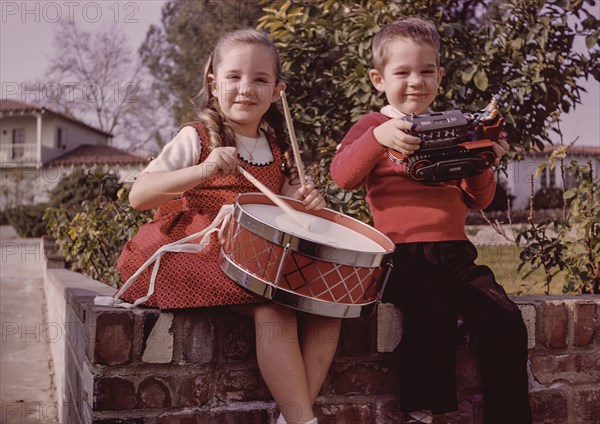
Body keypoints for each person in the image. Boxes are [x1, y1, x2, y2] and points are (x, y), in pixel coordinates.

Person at [116, 29, 340, 424]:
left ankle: (294, 416)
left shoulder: (278, 149)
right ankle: (304, 420)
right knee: (272, 305)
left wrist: (308, 205)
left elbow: (289, 212)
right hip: (196, 246)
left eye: (260, 79)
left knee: (328, 307)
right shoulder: (196, 136)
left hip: (254, 252)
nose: (246, 88)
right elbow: (140, 196)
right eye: (234, 76)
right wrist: (203, 170)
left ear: (277, 91)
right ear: (213, 83)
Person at [330, 17, 532, 424]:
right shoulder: (373, 126)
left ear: (439, 75)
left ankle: (509, 415)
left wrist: (482, 161)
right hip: (402, 256)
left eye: (426, 71)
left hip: (456, 254)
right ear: (378, 78)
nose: (415, 81)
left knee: (506, 318)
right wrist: (378, 139)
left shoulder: (455, 127)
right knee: (432, 312)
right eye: (402, 72)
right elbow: (342, 175)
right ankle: (424, 412)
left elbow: (480, 200)